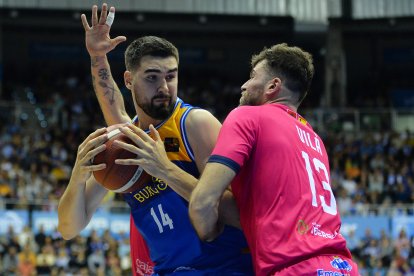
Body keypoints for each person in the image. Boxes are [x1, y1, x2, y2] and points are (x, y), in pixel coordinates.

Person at [57, 4, 253, 276]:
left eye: (171, 76)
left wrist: (165, 170)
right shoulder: (126, 143)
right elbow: (68, 228)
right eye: (152, 77)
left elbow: (240, 213)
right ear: (128, 79)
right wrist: (78, 176)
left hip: (221, 267)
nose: (163, 87)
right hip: (168, 269)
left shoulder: (195, 124)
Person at [189, 43, 360, 275]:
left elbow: (203, 202)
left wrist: (208, 233)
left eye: (252, 77)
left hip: (293, 268)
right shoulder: (315, 140)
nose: (244, 85)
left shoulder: (248, 116)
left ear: (273, 85)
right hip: (341, 266)